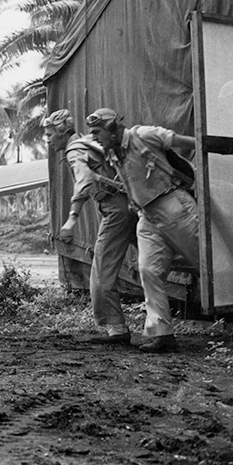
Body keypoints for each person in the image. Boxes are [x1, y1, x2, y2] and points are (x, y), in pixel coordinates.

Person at [85, 108, 199, 354]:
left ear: (113, 128)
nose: (95, 138)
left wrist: (201, 172)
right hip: (146, 216)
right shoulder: (113, 153)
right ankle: (163, 335)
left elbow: (191, 142)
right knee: (148, 269)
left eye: (97, 132)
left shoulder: (144, 135)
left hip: (174, 206)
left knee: (208, 263)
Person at [43, 109, 138, 345]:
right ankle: (159, 327)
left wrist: (72, 218)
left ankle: (116, 329)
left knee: (102, 269)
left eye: (49, 134)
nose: (48, 140)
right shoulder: (88, 142)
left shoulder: (75, 150)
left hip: (116, 211)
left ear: (62, 132)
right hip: (132, 205)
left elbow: (84, 180)